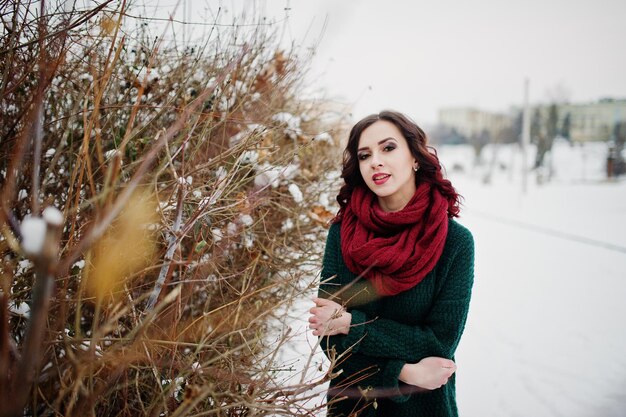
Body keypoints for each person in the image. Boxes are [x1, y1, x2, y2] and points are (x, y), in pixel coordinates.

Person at [309, 110, 474, 417]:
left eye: (388, 148)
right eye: (364, 155)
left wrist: (350, 323)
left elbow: (438, 345)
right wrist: (403, 372)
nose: (376, 161)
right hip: (353, 407)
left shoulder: (455, 242)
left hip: (424, 408)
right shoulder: (342, 233)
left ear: (415, 157)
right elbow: (328, 339)